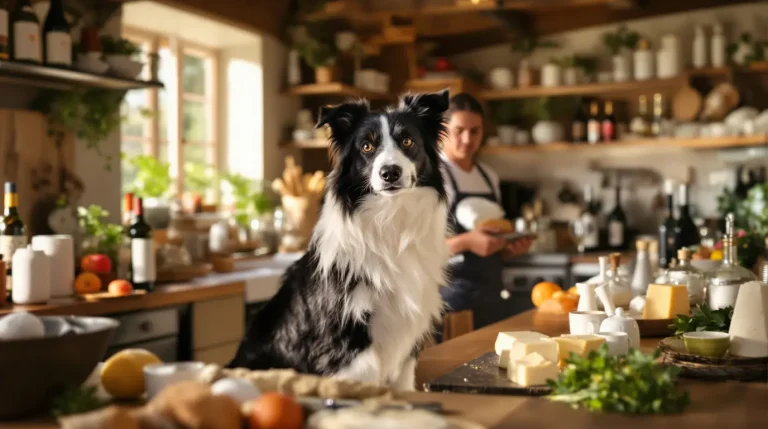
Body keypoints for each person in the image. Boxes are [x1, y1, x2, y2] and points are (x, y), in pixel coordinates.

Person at [439, 93, 533, 339]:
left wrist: (509, 247)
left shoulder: (488, 177)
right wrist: (468, 241)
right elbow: (414, 248)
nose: (467, 139)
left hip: (492, 293)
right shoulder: (431, 177)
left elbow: (492, 235)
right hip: (451, 296)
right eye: (458, 131)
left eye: (475, 131)